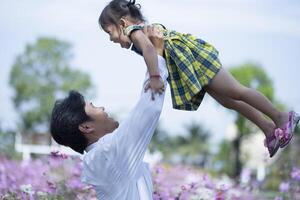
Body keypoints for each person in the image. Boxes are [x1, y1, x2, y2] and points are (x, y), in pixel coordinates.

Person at [98, 0, 299, 157]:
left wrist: (155, 77)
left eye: (109, 32)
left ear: (122, 23)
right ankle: (268, 128)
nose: (110, 38)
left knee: (237, 91)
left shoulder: (133, 31)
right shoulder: (142, 29)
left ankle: (281, 116)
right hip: (190, 65)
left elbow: (151, 49)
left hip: (196, 61)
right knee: (228, 101)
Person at [50, 27, 167, 199]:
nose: (103, 108)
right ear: (86, 126)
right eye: (94, 106)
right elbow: (147, 109)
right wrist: (156, 56)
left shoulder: (100, 157)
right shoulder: (107, 154)